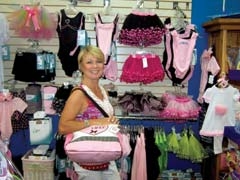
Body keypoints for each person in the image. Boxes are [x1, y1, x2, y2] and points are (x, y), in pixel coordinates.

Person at [58, 45, 120, 180]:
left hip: (106, 158)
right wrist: (96, 122)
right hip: (87, 163)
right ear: (81, 66)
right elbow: (63, 127)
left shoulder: (103, 90)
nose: (95, 66)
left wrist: (111, 121)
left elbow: (105, 119)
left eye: (98, 61)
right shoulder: (79, 94)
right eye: (89, 62)